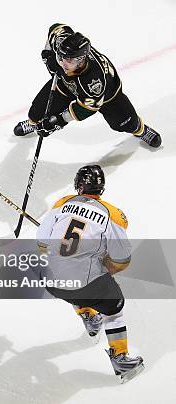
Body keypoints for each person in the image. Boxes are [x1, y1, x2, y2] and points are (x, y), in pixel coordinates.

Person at [36, 165, 144, 383]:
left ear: (78, 185)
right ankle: (120, 358)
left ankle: (88, 316)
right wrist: (104, 265)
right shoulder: (113, 214)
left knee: (68, 278)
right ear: (101, 188)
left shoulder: (62, 203)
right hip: (85, 285)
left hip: (50, 281)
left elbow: (42, 242)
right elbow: (122, 259)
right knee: (113, 308)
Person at [14, 23, 162, 148]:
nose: (63, 63)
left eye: (68, 61)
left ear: (81, 60)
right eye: (61, 57)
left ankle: (140, 130)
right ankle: (33, 123)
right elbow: (56, 28)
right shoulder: (63, 45)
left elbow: (87, 108)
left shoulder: (94, 82)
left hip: (108, 96)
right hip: (67, 84)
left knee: (125, 123)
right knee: (37, 111)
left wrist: (58, 120)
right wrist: (48, 55)